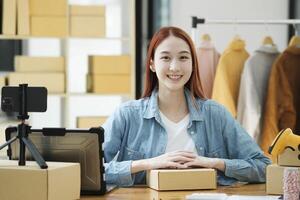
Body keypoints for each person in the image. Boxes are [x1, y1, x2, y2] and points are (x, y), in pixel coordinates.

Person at [102, 26, 271, 186]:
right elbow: (91, 171)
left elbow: (264, 167)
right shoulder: (127, 115)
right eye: (166, 58)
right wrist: (147, 164)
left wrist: (213, 163)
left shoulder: (215, 114)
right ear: (152, 64)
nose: (175, 67)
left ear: (193, 64)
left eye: (183, 57)